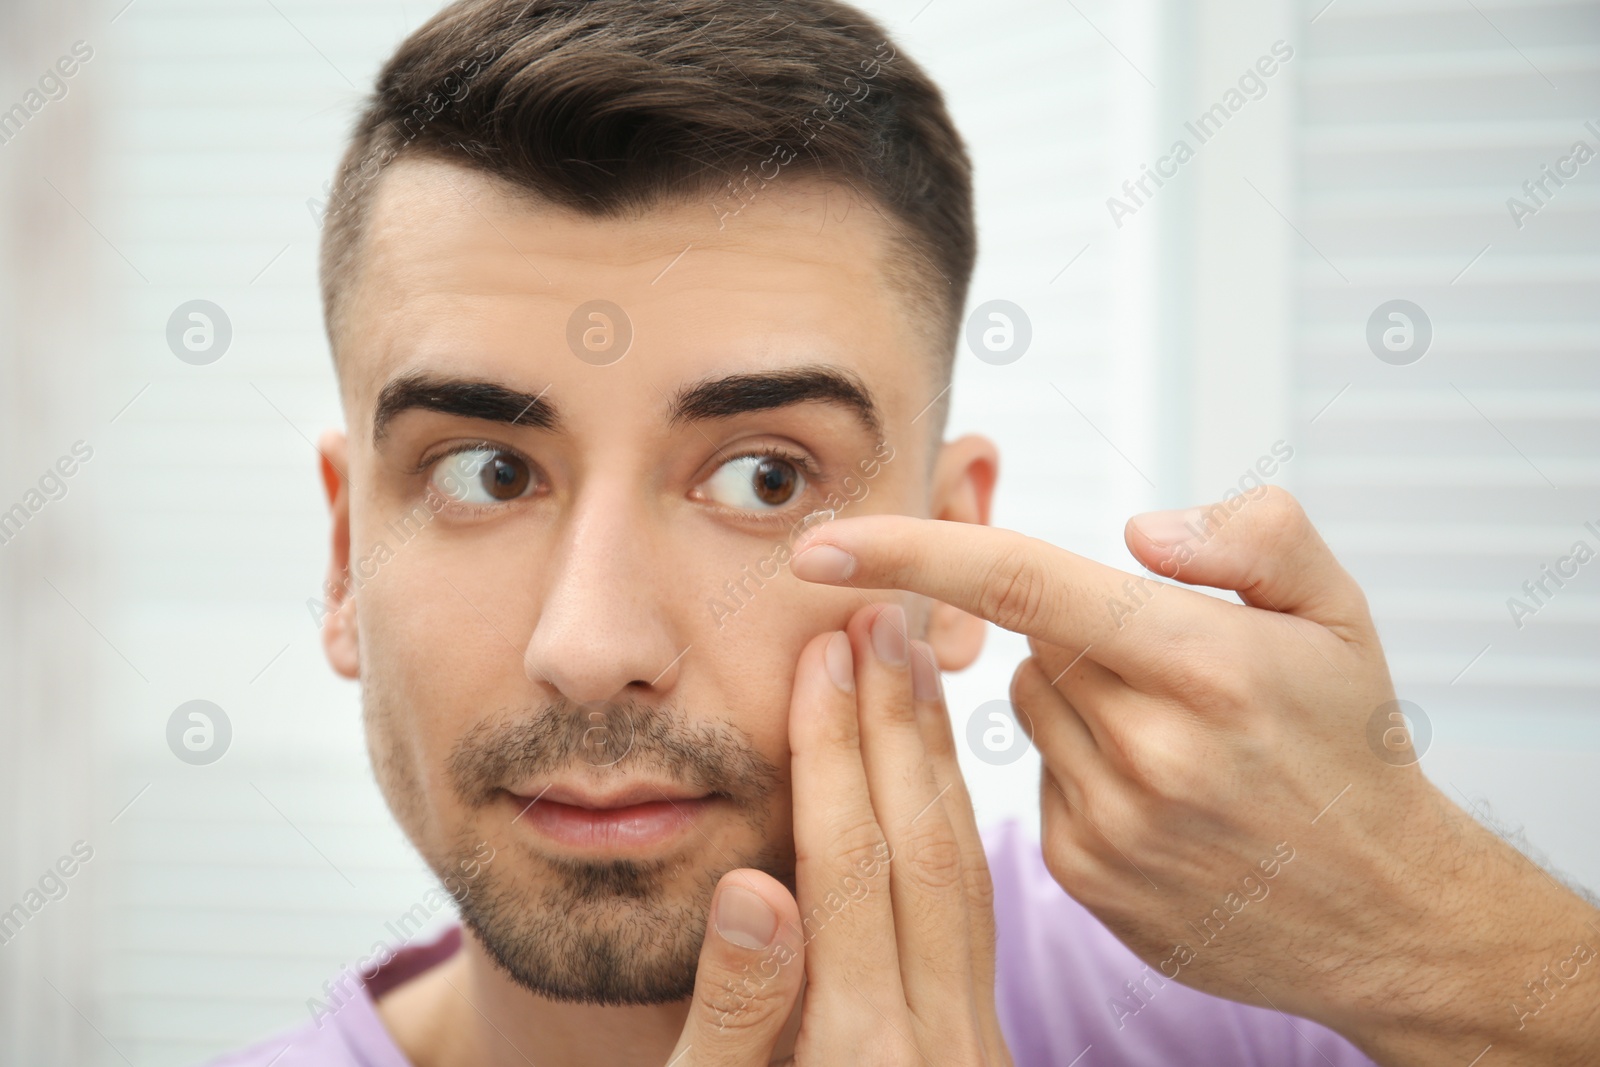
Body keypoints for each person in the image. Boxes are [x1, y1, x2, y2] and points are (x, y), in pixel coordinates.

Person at [206, 0, 1600, 1064]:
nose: (594, 645)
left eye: (760, 477)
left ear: (950, 559)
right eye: (489, 474)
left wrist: (1427, 925)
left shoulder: (1248, 999)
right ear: (345, 561)